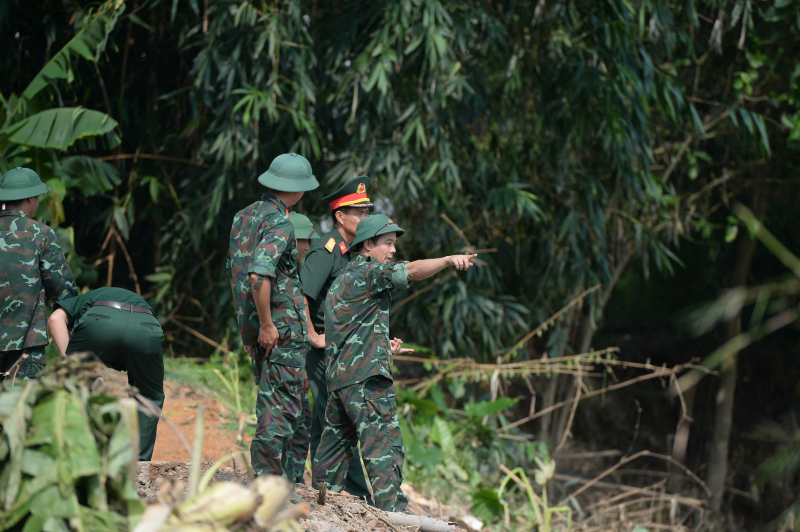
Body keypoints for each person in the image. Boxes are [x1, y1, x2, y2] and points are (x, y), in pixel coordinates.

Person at [312, 214, 476, 512]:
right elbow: (411, 271)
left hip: (341, 383)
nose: (393, 251)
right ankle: (394, 515)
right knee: (383, 447)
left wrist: (381, 345)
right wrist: (449, 259)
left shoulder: (341, 282)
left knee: (333, 452)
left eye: (394, 244)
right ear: (367, 245)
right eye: (388, 243)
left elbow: (346, 331)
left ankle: (323, 508)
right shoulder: (370, 272)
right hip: (366, 382)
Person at [226, 153, 318, 478]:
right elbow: (257, 275)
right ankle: (273, 485)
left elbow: (238, 275)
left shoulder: (244, 216)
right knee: (283, 411)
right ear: (297, 189)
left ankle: (276, 483)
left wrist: (251, 330)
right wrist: (267, 325)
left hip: (261, 330)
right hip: (281, 332)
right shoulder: (280, 221)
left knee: (272, 406)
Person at [299, 176, 373, 501]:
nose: (365, 217)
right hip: (324, 353)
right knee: (339, 420)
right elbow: (302, 295)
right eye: (358, 212)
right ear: (340, 216)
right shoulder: (326, 249)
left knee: (323, 423)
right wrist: (313, 336)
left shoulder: (355, 253)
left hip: (345, 352)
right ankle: (360, 495)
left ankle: (323, 488)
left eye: (368, 211)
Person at [48, 287, 165, 460]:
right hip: (146, 327)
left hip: (100, 321)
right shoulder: (134, 299)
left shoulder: (80, 301)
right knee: (148, 396)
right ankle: (139, 468)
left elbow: (55, 319)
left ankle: (69, 455)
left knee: (72, 386)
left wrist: (71, 364)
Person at [0, 167, 77, 383]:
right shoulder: (40, 234)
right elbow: (65, 293)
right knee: (20, 413)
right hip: (26, 350)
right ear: (32, 199)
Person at [287, 211, 318, 484]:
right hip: (284, 364)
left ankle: (294, 479)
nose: (307, 247)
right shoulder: (278, 275)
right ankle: (282, 481)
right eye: (303, 241)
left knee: (301, 422)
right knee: (287, 422)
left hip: (297, 363)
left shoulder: (292, 273)